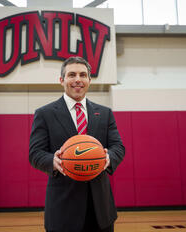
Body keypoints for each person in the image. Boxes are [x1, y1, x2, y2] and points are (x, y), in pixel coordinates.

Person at [29, 56, 125, 232]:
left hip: (101, 210)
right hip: (63, 209)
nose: (77, 80)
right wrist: (54, 162)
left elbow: (118, 147)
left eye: (83, 75)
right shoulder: (45, 113)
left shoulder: (105, 113)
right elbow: (35, 153)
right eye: (71, 75)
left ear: (89, 80)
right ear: (61, 80)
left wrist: (106, 158)